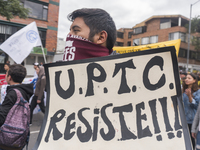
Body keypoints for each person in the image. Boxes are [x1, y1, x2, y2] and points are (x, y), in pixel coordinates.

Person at [182, 73, 200, 149]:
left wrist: (189, 96)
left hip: (191, 121)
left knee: (191, 142)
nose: (187, 79)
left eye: (189, 78)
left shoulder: (198, 92)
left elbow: (196, 106)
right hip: (182, 119)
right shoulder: (182, 90)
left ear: (194, 80)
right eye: (186, 78)